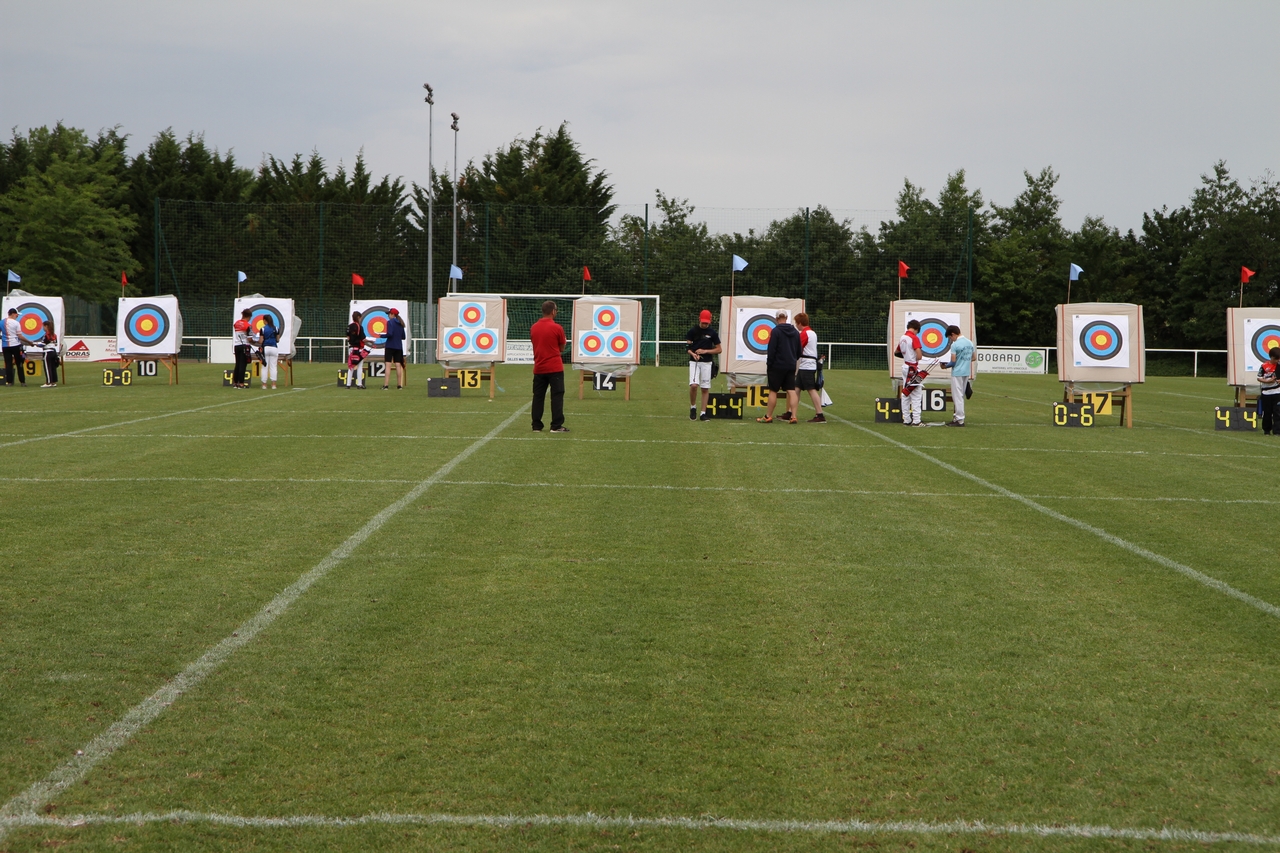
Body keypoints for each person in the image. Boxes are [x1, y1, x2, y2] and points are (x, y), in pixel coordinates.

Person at [530, 300, 569, 432]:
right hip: (554, 368)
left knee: (538, 397)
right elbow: (562, 347)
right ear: (553, 311)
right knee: (557, 396)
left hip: (539, 367)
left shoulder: (534, 327)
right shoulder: (557, 328)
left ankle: (536, 425)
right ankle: (556, 425)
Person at [757, 310, 800, 424]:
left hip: (776, 366)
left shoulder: (775, 331)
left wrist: (769, 364)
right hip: (790, 365)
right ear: (786, 317)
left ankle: (768, 416)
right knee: (791, 390)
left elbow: (772, 350)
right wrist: (792, 359)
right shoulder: (795, 332)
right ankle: (794, 416)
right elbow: (799, 351)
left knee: (773, 390)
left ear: (776, 319)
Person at [686, 309, 721, 421]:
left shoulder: (713, 333)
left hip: (707, 363)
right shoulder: (692, 331)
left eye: (707, 323)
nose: (705, 325)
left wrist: (705, 351)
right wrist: (693, 354)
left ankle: (703, 413)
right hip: (694, 362)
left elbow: (719, 349)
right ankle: (693, 407)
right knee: (694, 385)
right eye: (703, 322)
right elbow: (687, 347)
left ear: (710, 321)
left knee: (705, 388)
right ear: (699, 320)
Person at [942, 325, 975, 426]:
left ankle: (960, 420)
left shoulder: (955, 345)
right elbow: (973, 358)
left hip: (957, 373)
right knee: (960, 396)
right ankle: (958, 418)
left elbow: (952, 362)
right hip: (966, 372)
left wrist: (945, 366)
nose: (951, 340)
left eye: (950, 337)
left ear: (953, 334)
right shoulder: (970, 342)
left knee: (957, 396)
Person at [794, 312, 824, 423]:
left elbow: (798, 348)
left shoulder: (805, 333)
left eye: (797, 323)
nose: (796, 325)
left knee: (811, 389)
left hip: (807, 365)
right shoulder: (812, 333)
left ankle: (819, 414)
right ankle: (791, 413)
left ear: (800, 323)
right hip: (806, 365)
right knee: (796, 389)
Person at [898, 319, 924, 426]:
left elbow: (897, 352)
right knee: (916, 394)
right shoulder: (914, 337)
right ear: (917, 329)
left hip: (905, 367)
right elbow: (919, 355)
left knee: (906, 393)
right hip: (912, 368)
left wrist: (906, 356)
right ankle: (917, 421)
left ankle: (907, 420)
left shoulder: (902, 337)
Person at [3, 307, 34, 387]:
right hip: (15, 345)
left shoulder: (1, 322)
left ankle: (9, 382)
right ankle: (22, 382)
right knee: (19, 363)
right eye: (16, 315)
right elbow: (20, 336)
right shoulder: (16, 323)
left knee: (8, 364)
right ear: (13, 314)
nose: (17, 316)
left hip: (5, 346)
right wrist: (29, 342)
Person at [382, 308, 406, 389]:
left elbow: (390, 334)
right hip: (398, 346)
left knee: (388, 365)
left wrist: (381, 335)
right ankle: (399, 385)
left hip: (390, 346)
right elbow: (403, 336)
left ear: (392, 314)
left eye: (389, 314)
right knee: (398, 365)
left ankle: (386, 385)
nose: (388, 315)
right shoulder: (401, 323)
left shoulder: (389, 322)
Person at [1259, 346, 1280, 435]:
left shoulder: (1279, 366)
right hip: (1266, 392)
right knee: (1267, 412)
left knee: (1277, 412)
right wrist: (1268, 381)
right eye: (1276, 359)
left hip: (1277, 392)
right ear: (1271, 357)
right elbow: (1259, 378)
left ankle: (1277, 431)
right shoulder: (1264, 366)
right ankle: (1266, 430)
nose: (1277, 361)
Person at [345, 311, 367, 389]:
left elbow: (348, 337)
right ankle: (359, 384)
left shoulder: (349, 326)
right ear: (358, 317)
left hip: (351, 348)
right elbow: (363, 339)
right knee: (360, 366)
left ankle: (348, 384)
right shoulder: (359, 327)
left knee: (351, 365)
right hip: (359, 349)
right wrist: (371, 341)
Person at [258, 316, 280, 390]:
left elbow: (261, 341)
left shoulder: (263, 329)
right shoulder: (276, 328)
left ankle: (264, 385)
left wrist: (257, 341)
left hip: (266, 348)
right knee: (273, 367)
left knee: (265, 367)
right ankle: (273, 385)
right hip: (274, 347)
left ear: (265, 320)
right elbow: (278, 339)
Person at [232, 309, 252, 388]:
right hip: (244, 346)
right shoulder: (248, 325)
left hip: (237, 346)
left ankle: (235, 383)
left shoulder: (236, 323)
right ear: (249, 316)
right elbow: (250, 338)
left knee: (237, 364)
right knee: (243, 365)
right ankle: (241, 383)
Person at [37, 319, 59, 387]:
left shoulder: (47, 335)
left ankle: (48, 382)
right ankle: (53, 382)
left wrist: (35, 344)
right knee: (52, 367)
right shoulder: (54, 335)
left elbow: (43, 344)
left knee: (47, 367)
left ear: (46, 326)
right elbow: (55, 344)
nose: (43, 328)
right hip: (53, 352)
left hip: (47, 352)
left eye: (43, 326)